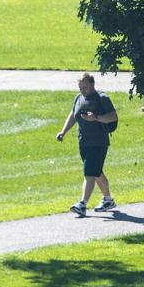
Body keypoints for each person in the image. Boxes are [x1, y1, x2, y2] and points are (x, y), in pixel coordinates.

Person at [55, 73, 118, 216]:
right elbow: (73, 115)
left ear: (92, 84)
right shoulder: (78, 98)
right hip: (83, 141)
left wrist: (95, 118)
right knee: (96, 172)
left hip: (99, 142)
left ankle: (82, 204)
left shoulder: (102, 98)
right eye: (80, 87)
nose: (82, 90)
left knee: (89, 173)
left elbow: (113, 116)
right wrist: (63, 131)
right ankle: (108, 200)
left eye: (85, 87)